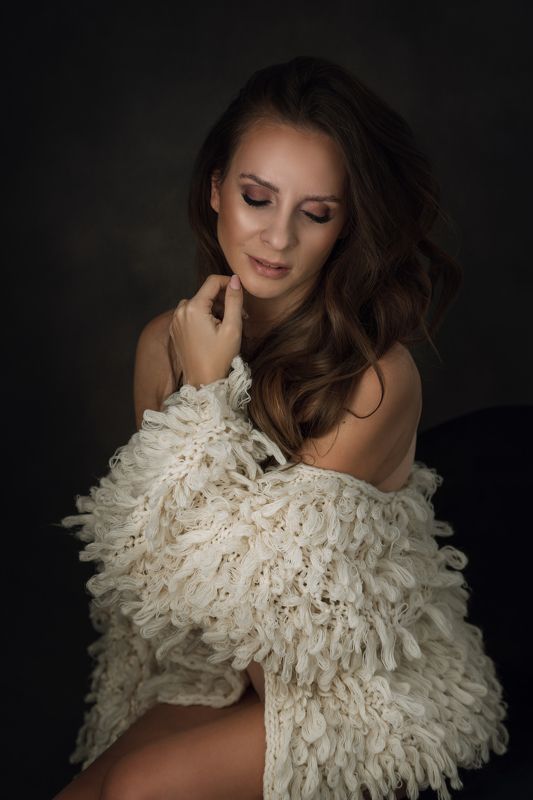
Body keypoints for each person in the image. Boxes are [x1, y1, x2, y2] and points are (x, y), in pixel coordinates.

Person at [54, 56, 508, 800]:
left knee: (137, 787)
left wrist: (206, 394)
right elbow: (149, 562)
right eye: (257, 198)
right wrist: (196, 380)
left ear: (343, 227)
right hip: (224, 670)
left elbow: (262, 593)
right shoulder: (161, 343)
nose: (277, 236)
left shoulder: (376, 378)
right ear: (215, 191)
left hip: (356, 692)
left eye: (316, 213)